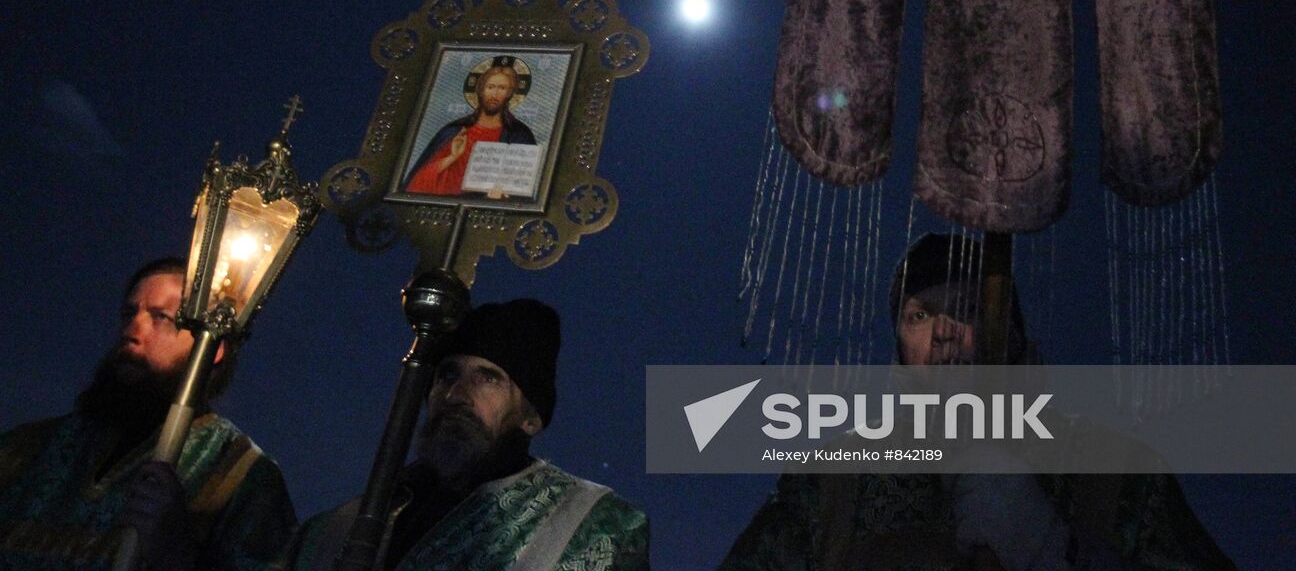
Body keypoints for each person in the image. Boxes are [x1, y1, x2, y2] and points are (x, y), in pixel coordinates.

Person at [719, 233, 1235, 571]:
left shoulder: (1116, 473)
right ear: (899, 349)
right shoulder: (835, 482)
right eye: (920, 316)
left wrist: (1060, 553)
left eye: (967, 308)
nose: (943, 332)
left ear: (1011, 334)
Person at [284, 298, 648, 570]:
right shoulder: (347, 523)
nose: (457, 394)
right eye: (447, 375)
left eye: (488, 378)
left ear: (531, 418)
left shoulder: (592, 525)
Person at [0, 257, 295, 570]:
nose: (133, 329)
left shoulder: (238, 473)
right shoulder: (25, 449)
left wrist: (176, 554)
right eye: (130, 313)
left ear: (213, 348)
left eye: (162, 318)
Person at [404, 62, 537, 196]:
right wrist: (452, 157)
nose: (494, 94)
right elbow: (416, 183)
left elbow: (524, 187)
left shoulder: (519, 135)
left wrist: (504, 196)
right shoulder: (453, 131)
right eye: (490, 87)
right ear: (481, 90)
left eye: (502, 88)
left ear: (509, 94)